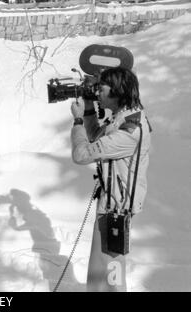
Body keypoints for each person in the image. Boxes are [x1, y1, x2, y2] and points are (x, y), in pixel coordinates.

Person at [70, 67, 152, 291]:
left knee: (110, 279)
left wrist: (77, 121)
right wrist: (88, 109)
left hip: (116, 211)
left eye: (102, 87)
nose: (98, 92)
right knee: (99, 278)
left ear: (117, 90)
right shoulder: (124, 118)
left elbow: (82, 154)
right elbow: (97, 136)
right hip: (110, 206)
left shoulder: (130, 130)